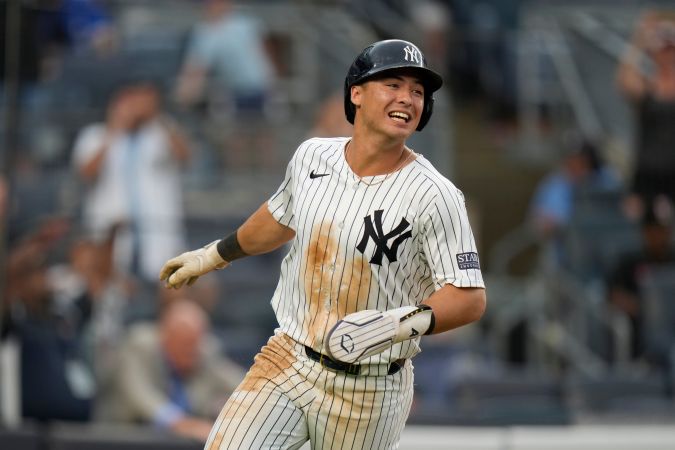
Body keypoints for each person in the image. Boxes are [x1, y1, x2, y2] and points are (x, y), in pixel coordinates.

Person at [160, 39, 486, 449]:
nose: (408, 98)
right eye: (393, 84)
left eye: (418, 92)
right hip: (289, 359)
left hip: (370, 389)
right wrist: (215, 254)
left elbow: (469, 297)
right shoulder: (313, 156)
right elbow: (279, 218)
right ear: (357, 93)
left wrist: (397, 324)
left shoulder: (436, 194)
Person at [71, 78, 191, 284]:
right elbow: (87, 172)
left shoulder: (161, 132)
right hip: (110, 241)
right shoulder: (96, 135)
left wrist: (157, 116)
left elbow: (185, 157)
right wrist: (116, 127)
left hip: (157, 237)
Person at [97, 299, 245, 442]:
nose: (191, 352)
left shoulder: (204, 352)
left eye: (195, 345)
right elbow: (141, 395)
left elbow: (241, 382)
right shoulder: (139, 346)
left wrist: (230, 404)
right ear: (165, 336)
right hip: (124, 436)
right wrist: (182, 423)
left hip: (180, 441)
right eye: (184, 344)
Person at [616, 11, 675, 220]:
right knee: (642, 221)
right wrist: (639, 39)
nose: (667, 55)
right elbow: (625, 81)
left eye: (671, 49)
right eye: (663, 50)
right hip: (648, 172)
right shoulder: (646, 88)